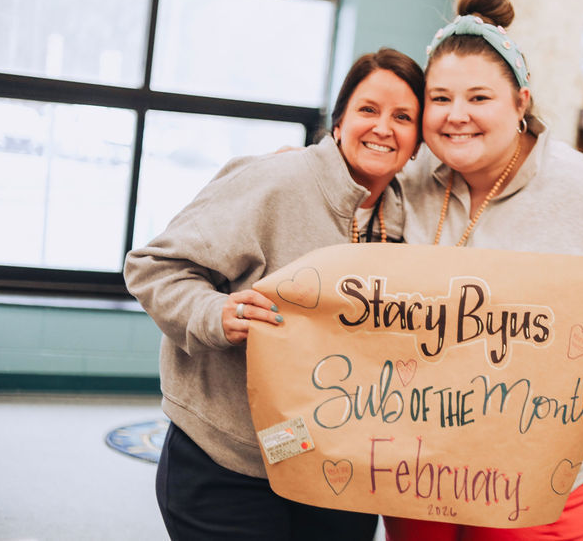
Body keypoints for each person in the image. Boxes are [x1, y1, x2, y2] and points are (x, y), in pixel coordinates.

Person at [385, 0, 583, 541]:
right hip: (423, 449)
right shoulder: (410, 181)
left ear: (521, 103)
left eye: (479, 99)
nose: (457, 117)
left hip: (549, 463)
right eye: (440, 99)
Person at [123, 48, 426, 540]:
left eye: (403, 117)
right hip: (228, 464)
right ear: (340, 120)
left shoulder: (414, 219)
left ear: (417, 142)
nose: (383, 127)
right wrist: (213, 313)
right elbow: (153, 267)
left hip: (338, 471)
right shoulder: (275, 182)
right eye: (368, 109)